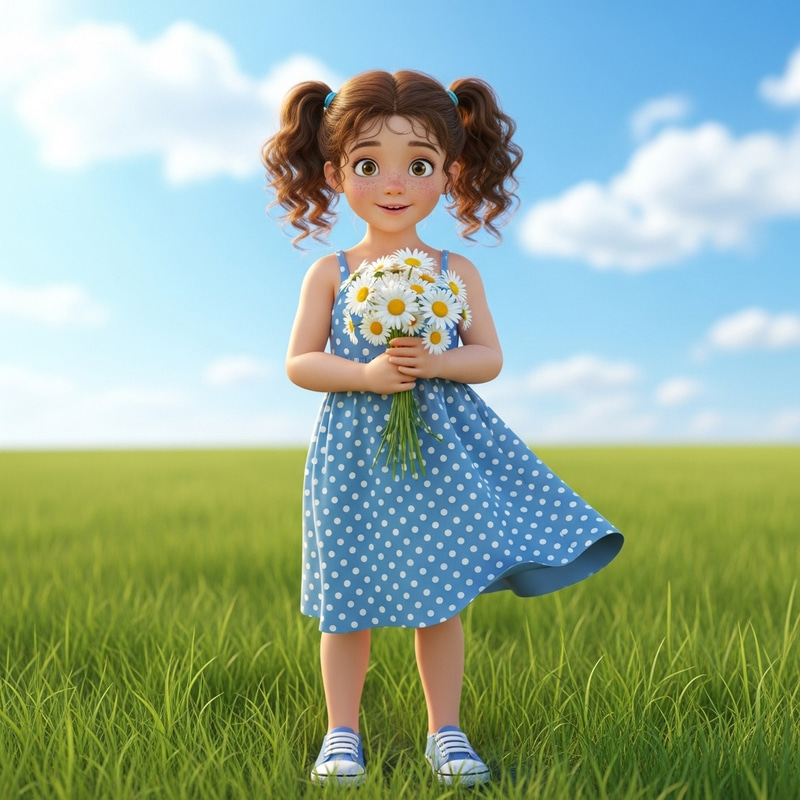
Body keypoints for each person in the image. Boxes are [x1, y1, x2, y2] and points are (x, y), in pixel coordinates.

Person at [262, 69, 623, 787]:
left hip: (439, 452)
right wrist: (365, 375)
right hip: (354, 455)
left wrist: (435, 362)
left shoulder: (454, 270)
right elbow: (300, 362)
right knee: (346, 604)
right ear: (335, 175)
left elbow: (488, 356)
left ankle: (445, 732)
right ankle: (341, 733)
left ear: (451, 173)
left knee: (441, 598)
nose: (394, 184)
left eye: (419, 165)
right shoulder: (331, 271)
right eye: (369, 165)